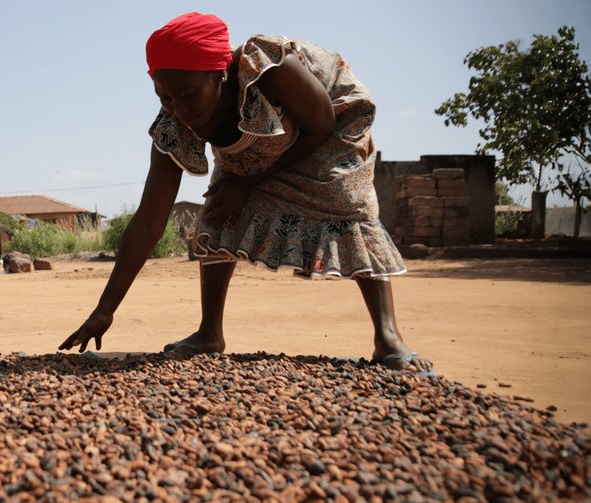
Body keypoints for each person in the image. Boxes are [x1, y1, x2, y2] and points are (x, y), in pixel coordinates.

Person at [59, 12, 432, 373]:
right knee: (218, 210)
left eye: (188, 95)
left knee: (348, 200)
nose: (180, 110)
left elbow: (320, 124)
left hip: (329, 124)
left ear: (219, 73)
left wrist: (247, 183)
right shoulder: (174, 124)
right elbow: (147, 223)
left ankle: (388, 338)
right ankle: (209, 334)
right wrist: (105, 308)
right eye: (165, 98)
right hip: (260, 143)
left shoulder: (269, 69)